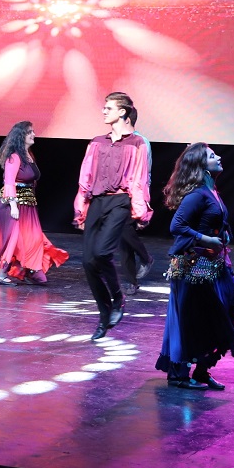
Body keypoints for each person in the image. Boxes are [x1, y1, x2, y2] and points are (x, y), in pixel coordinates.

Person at [155, 142, 234, 390]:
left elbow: (215, 220)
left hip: (213, 264)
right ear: (201, 166)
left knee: (220, 316)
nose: (219, 157)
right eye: (212, 156)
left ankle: (203, 371)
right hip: (193, 266)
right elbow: (177, 226)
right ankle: (179, 375)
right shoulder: (197, 194)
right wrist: (206, 239)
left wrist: (224, 234)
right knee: (193, 320)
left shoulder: (211, 190)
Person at [73, 92, 152, 340]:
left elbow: (139, 178)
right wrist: (81, 208)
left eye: (108, 108)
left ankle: (118, 297)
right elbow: (85, 176)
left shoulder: (137, 143)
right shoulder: (97, 142)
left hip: (120, 201)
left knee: (102, 253)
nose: (104, 111)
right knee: (88, 261)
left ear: (122, 112)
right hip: (97, 201)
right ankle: (104, 312)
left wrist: (140, 211)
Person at [0, 120, 69, 285]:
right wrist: (13, 205)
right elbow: (9, 181)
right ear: (21, 136)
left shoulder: (29, 156)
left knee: (34, 238)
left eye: (33, 131)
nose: (34, 134)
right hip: (12, 204)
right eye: (30, 132)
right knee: (13, 239)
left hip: (28, 205)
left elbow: (32, 182)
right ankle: (2, 272)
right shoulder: (14, 157)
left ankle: (28, 270)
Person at [119, 110, 154, 293]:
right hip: (116, 193)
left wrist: (142, 200)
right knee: (123, 238)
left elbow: (145, 172)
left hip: (133, 193)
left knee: (124, 229)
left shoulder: (141, 141)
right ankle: (131, 281)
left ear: (126, 119)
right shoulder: (114, 140)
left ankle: (145, 257)